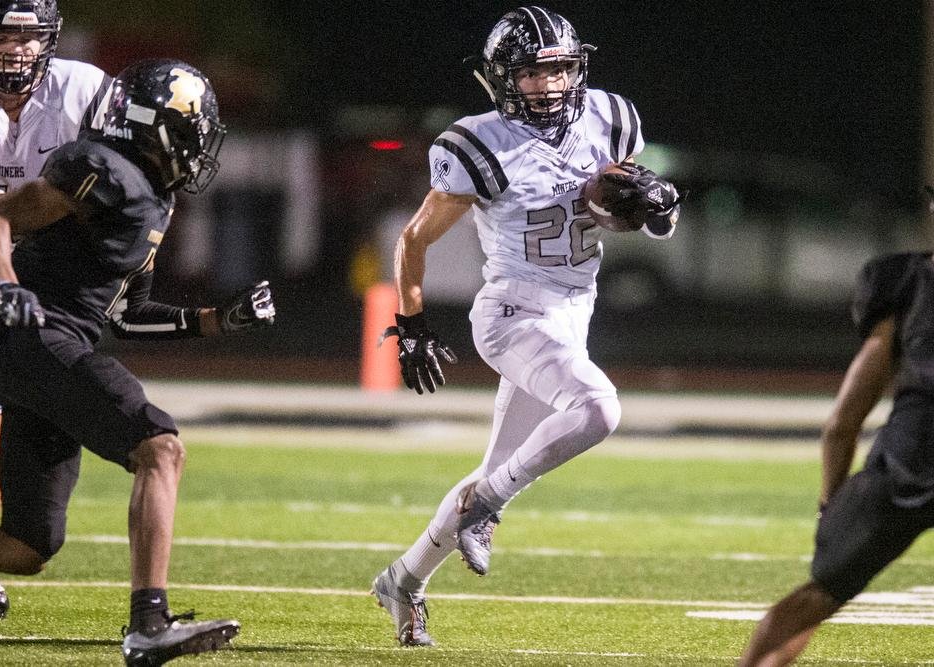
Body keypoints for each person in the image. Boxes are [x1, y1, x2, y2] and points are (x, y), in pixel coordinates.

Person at [0, 58, 271, 665]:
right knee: (159, 447)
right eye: (192, 128)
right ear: (156, 126)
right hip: (36, 338)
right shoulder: (99, 166)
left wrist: (220, 320)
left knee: (30, 544)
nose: (199, 145)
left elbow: (124, 315)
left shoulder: (154, 198)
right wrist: (7, 285)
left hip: (54, 344)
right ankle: (148, 624)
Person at [370, 6, 681, 646]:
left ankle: (403, 580)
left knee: (501, 462)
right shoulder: (478, 142)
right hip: (513, 312)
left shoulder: (611, 118)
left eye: (560, 69)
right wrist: (412, 324)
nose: (549, 85)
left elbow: (640, 214)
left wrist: (659, 210)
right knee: (598, 409)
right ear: (502, 78)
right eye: (533, 73)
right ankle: (488, 505)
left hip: (575, 310)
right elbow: (411, 242)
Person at [0, 0, 110, 619]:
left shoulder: (84, 88)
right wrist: (15, 208)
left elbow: (115, 169)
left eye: (29, 35)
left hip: (21, 271)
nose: (15, 47)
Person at [738, 251, 934, 666]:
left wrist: (830, 504)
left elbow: (844, 422)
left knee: (819, 595)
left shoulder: (911, 283)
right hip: (912, 454)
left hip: (912, 458)